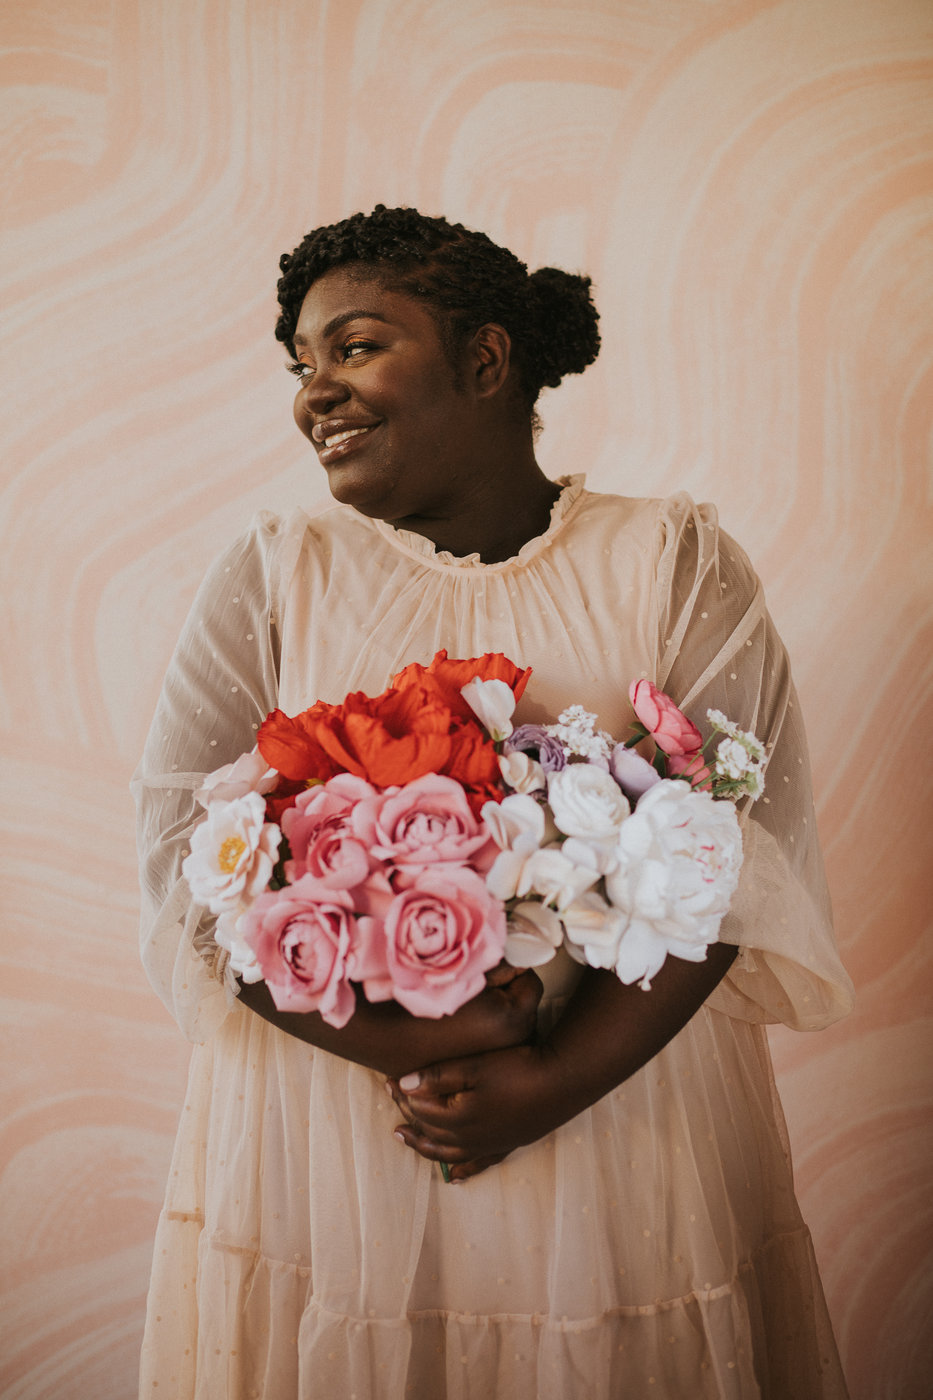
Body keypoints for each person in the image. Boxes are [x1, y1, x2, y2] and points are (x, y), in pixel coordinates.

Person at [133, 205, 854, 1399]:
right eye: (301, 365)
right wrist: (422, 1048)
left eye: (356, 346)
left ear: (484, 360)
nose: (316, 392)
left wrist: (549, 1082)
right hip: (339, 1123)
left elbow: (739, 850)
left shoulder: (672, 561)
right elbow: (193, 861)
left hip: (616, 1105)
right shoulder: (276, 570)